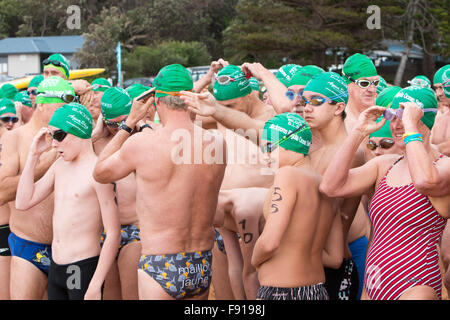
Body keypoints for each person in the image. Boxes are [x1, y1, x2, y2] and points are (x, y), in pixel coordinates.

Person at [93, 64, 227, 300]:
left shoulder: (143, 144)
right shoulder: (217, 144)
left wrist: (129, 123)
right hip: (201, 261)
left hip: (160, 261)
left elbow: (100, 172)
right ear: (190, 98)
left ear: (155, 100)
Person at [320, 85, 450, 300]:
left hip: (416, 285)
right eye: (393, 116)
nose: (396, 124)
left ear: (423, 118)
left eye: (403, 116)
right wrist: (358, 132)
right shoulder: (384, 165)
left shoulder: (444, 165)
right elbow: (331, 186)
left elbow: (425, 181)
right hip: (374, 283)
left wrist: (410, 126)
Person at [15, 103, 120, 300]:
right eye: (52, 136)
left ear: (79, 132)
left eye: (59, 136)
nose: (54, 144)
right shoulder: (59, 166)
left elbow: (113, 232)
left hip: (81, 267)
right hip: (56, 267)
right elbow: (22, 202)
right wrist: (33, 156)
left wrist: (96, 284)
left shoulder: (97, 173)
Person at [0, 76, 74, 299]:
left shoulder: (75, 135)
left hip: (69, 251)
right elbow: (2, 191)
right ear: (41, 103)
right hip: (28, 245)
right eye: (61, 105)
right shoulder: (16, 138)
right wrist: (46, 159)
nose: (66, 110)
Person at [252, 112, 335, 300]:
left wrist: (255, 261)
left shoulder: (287, 175)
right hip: (317, 291)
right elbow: (335, 256)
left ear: (293, 145)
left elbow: (269, 243)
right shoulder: (325, 186)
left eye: (270, 147)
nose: (265, 156)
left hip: (283, 292)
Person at [301, 71, 364, 300]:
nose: (307, 108)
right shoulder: (307, 147)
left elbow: (322, 211)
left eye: (316, 101)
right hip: (304, 262)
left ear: (338, 108)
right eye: (304, 101)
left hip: (333, 265)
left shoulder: (351, 153)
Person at [92, 87, 143, 300]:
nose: (117, 129)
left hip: (136, 230)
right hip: (105, 231)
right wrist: (96, 132)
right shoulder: (96, 143)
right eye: (111, 123)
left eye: (122, 122)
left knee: (131, 294)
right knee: (110, 295)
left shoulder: (142, 138)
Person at [213, 187, 268, 299]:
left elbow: (251, 271)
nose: (209, 226)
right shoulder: (220, 209)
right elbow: (235, 267)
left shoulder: (243, 211)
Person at [341, 53, 379, 133]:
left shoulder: (381, 118)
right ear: (346, 84)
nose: (372, 90)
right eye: (364, 83)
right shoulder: (338, 123)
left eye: (375, 83)